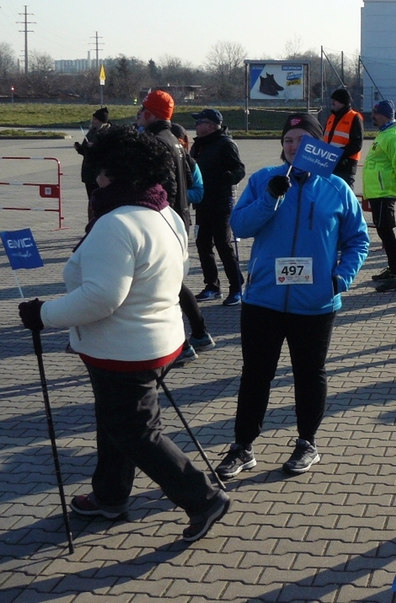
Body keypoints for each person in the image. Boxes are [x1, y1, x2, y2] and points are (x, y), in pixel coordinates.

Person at [17, 125, 230, 542]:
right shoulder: (164, 211)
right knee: (116, 422)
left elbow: (100, 298)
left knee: (136, 431)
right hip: (157, 339)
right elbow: (174, 274)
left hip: (124, 348)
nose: (94, 178)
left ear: (113, 173)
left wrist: (42, 314)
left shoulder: (116, 223)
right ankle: (110, 495)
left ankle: (203, 498)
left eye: (99, 170)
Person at [219, 113, 370, 479]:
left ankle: (307, 443)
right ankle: (242, 446)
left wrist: (340, 279)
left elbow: (358, 240)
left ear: (316, 146)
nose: (293, 146)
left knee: (309, 374)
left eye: (302, 140)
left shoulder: (336, 188)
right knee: (255, 375)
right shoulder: (263, 180)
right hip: (264, 300)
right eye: (288, 140)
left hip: (315, 302)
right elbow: (239, 226)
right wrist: (270, 198)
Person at [138, 90, 214, 360]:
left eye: (142, 110)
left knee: (163, 285)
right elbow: (189, 181)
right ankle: (199, 333)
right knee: (172, 281)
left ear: (150, 114)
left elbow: (167, 187)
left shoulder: (156, 142)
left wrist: (158, 217)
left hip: (165, 220)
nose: (138, 115)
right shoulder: (174, 141)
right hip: (179, 218)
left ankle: (182, 344)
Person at [189, 108, 246, 306]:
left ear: (212, 126)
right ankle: (212, 286)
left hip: (221, 202)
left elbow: (239, 169)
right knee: (203, 244)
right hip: (202, 202)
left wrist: (227, 177)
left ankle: (236, 287)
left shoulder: (225, 144)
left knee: (223, 244)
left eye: (200, 122)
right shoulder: (198, 145)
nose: (196, 126)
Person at [362, 100, 396, 293]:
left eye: (374, 113)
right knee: (383, 233)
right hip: (377, 191)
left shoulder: (393, 136)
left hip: (384, 192)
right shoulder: (384, 133)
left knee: (386, 233)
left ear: (382, 115)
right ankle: (392, 269)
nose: (372, 116)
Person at [323, 87, 364, 189]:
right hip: (329, 165)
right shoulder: (331, 118)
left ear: (342, 102)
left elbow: (357, 145)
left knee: (343, 195)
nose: (332, 103)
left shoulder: (354, 117)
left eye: (334, 100)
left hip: (345, 167)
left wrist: (337, 154)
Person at [73, 106, 110, 202]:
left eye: (95, 119)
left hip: (99, 174)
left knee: (100, 200)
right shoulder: (91, 133)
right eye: (93, 119)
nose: (93, 121)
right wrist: (80, 148)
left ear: (101, 121)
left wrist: (94, 147)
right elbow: (85, 152)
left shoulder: (107, 134)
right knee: (91, 200)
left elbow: (107, 152)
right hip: (89, 174)